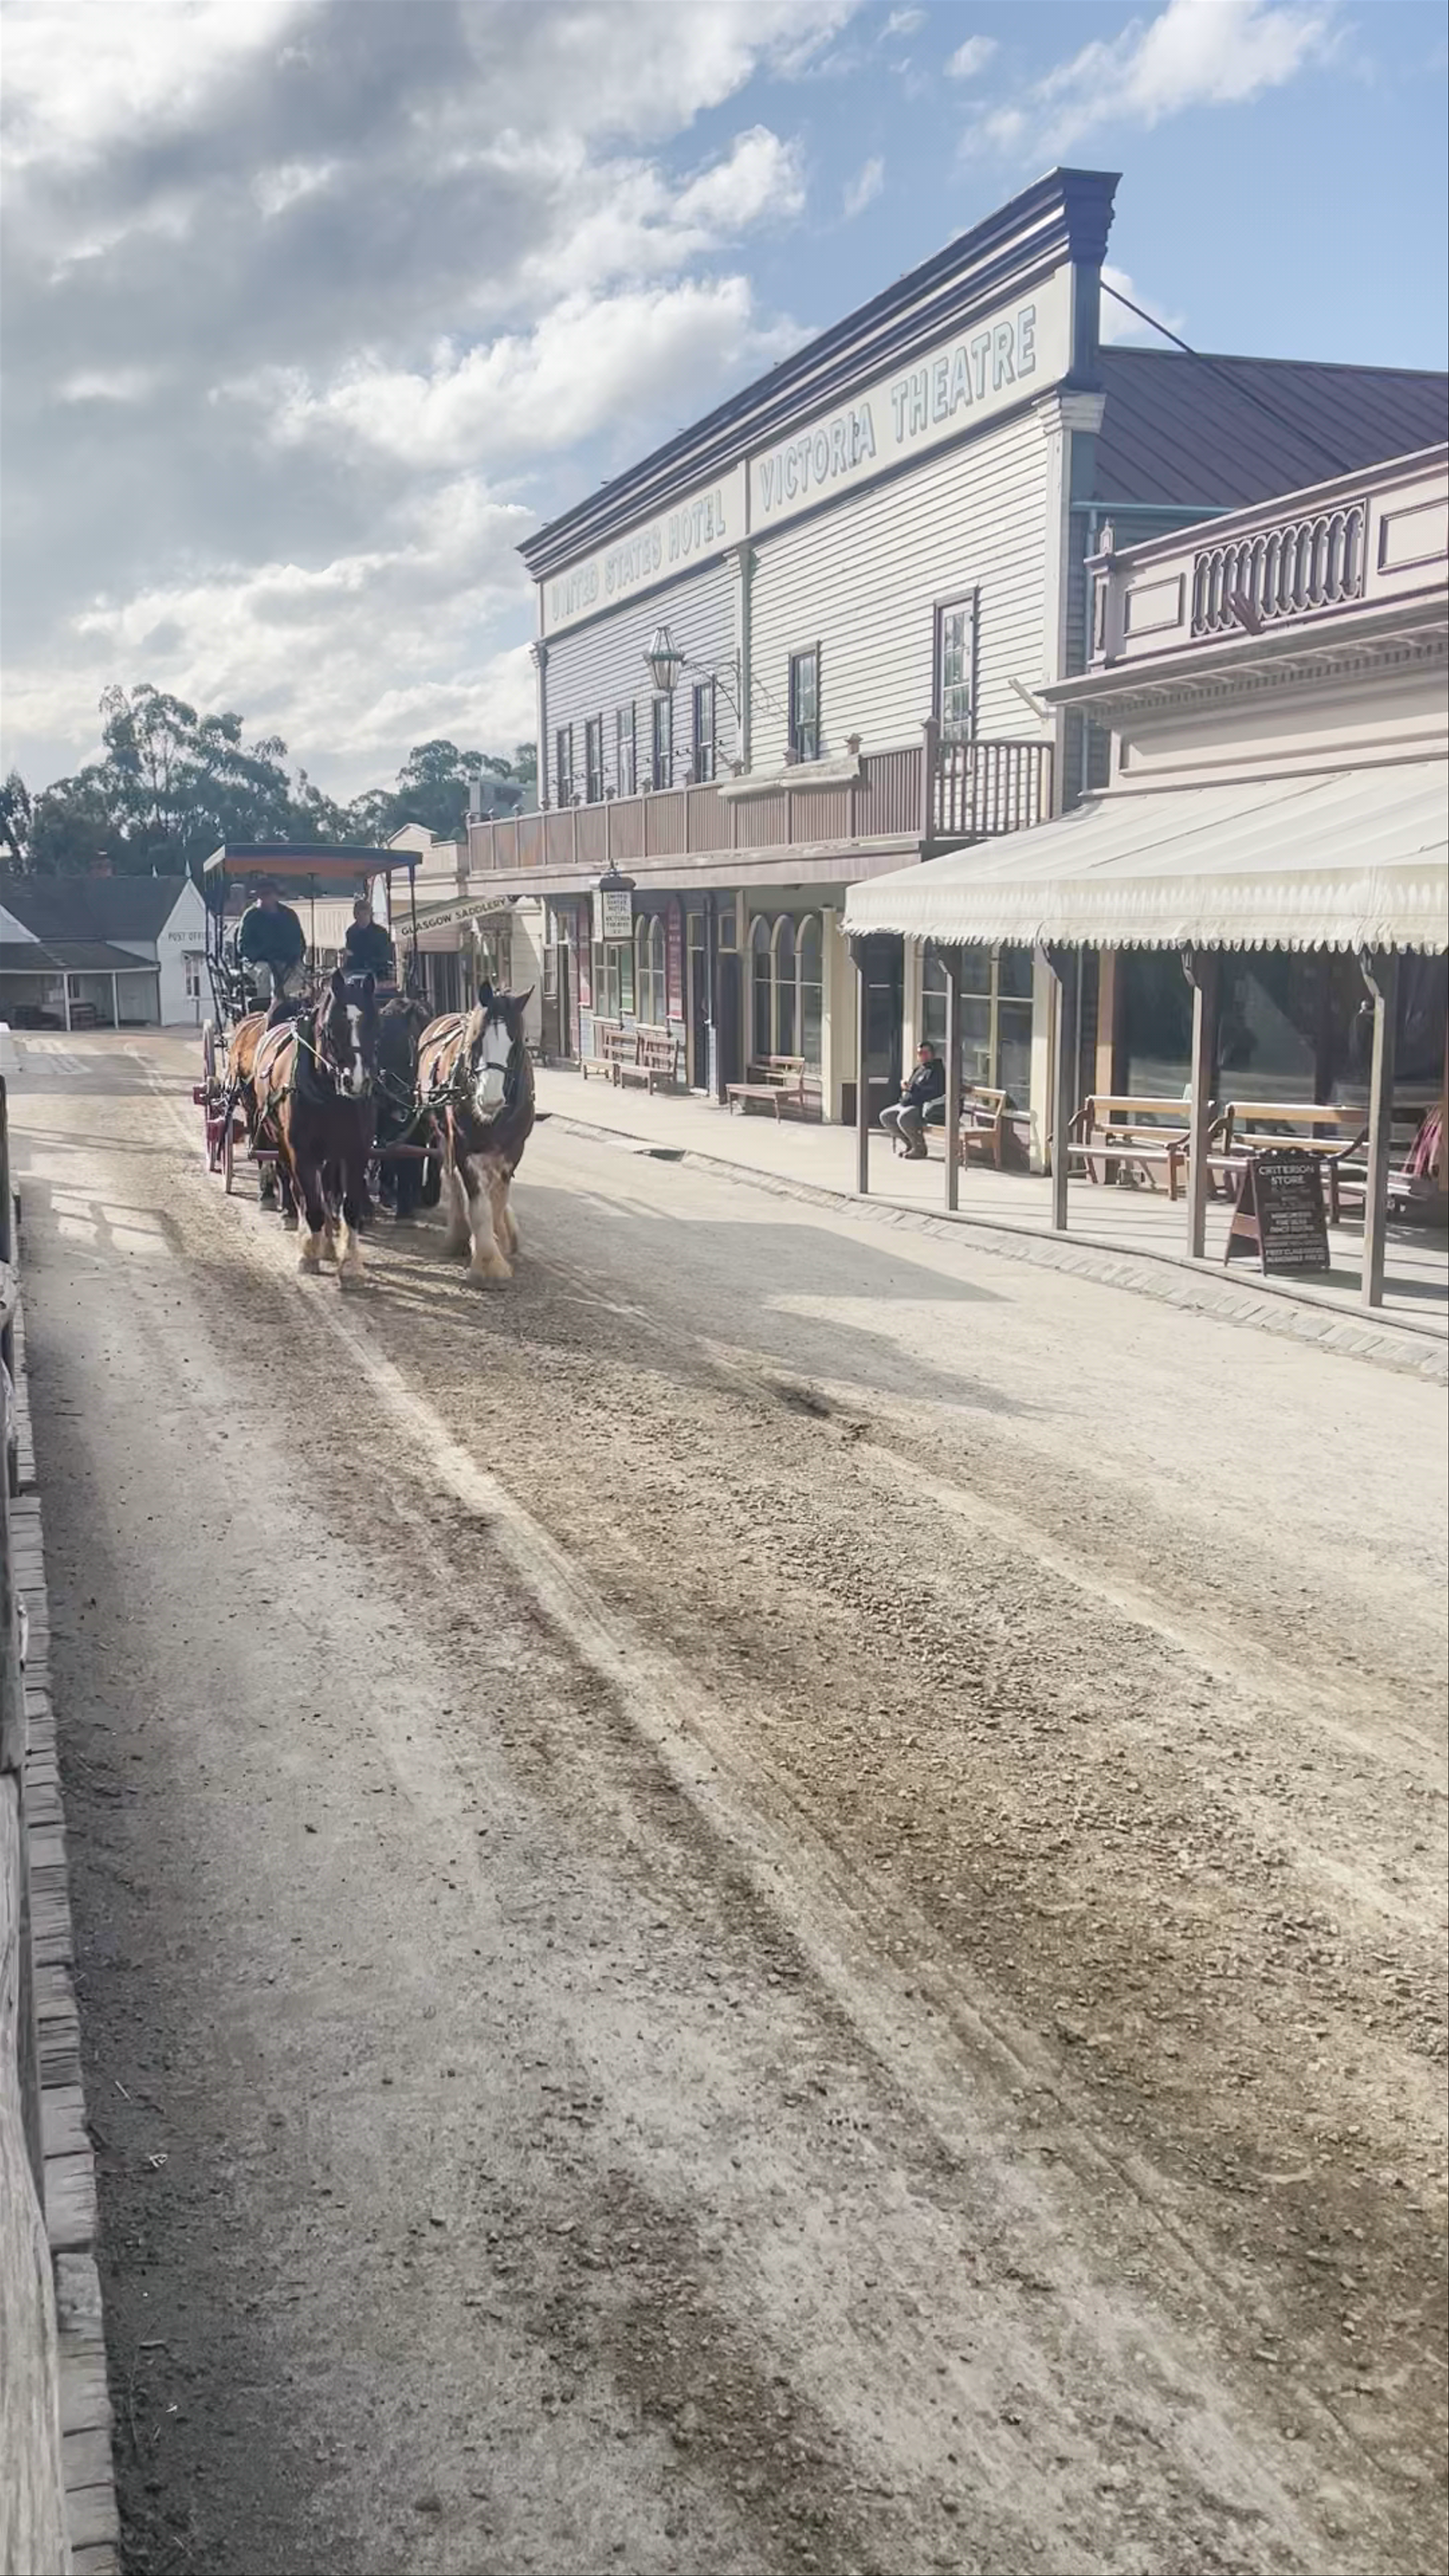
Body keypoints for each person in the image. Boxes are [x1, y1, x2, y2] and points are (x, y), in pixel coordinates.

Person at [236, 880, 306, 1004]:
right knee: (265, 973)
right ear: (258, 897)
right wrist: (266, 955)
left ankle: (294, 1006)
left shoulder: (289, 915)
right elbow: (243, 946)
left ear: (276, 895)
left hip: (286, 960)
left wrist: (292, 957)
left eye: (269, 894)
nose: (266, 898)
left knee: (298, 973)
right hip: (258, 962)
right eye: (263, 894)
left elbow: (299, 942)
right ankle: (265, 1008)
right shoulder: (251, 917)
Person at [879, 1041, 946, 1158]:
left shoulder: (937, 1071)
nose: (923, 1056)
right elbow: (912, 1086)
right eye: (920, 1054)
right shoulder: (919, 1069)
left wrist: (914, 1088)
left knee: (904, 1118)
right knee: (886, 1116)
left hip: (923, 1106)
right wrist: (905, 1085)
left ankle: (920, 1148)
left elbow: (936, 1090)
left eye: (926, 1053)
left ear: (932, 1054)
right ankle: (910, 1144)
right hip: (907, 1102)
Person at [343, 898, 395, 986]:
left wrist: (358, 957)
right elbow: (350, 958)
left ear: (370, 915)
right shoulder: (351, 932)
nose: (362, 917)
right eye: (359, 914)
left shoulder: (381, 933)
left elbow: (385, 957)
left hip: (377, 974)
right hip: (356, 973)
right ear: (355, 916)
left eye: (365, 914)